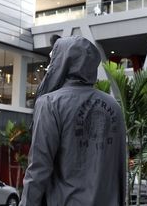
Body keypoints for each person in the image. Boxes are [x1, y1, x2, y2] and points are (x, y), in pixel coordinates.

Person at [19, 36, 126, 206]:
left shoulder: (50, 103)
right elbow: (119, 169)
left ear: (62, 62)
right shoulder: (114, 106)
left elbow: (38, 170)